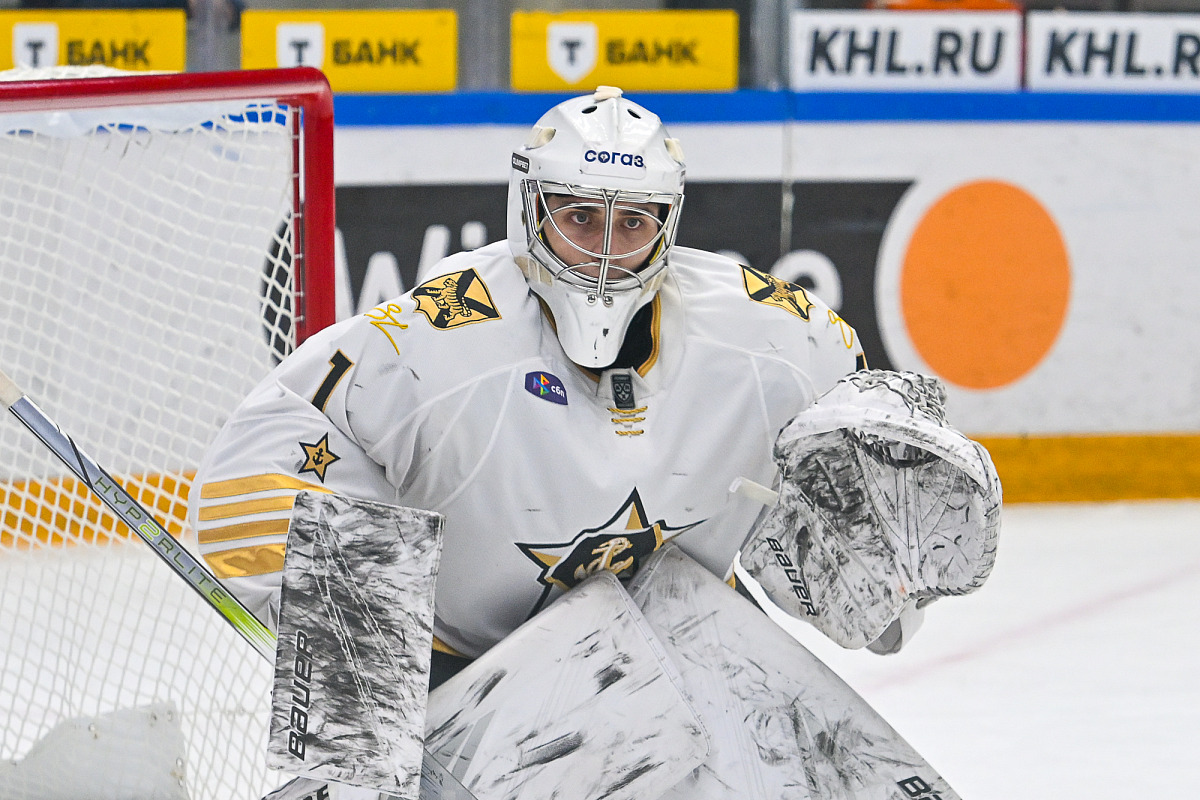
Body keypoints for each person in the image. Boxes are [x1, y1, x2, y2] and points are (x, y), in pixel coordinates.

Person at [188, 86, 870, 689]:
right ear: (531, 211)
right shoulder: (441, 334)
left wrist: (877, 570)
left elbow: (866, 441)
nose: (605, 253)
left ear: (668, 224)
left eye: (633, 223)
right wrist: (362, 643)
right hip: (459, 664)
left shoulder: (772, 336)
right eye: (581, 218)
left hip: (686, 646)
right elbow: (259, 457)